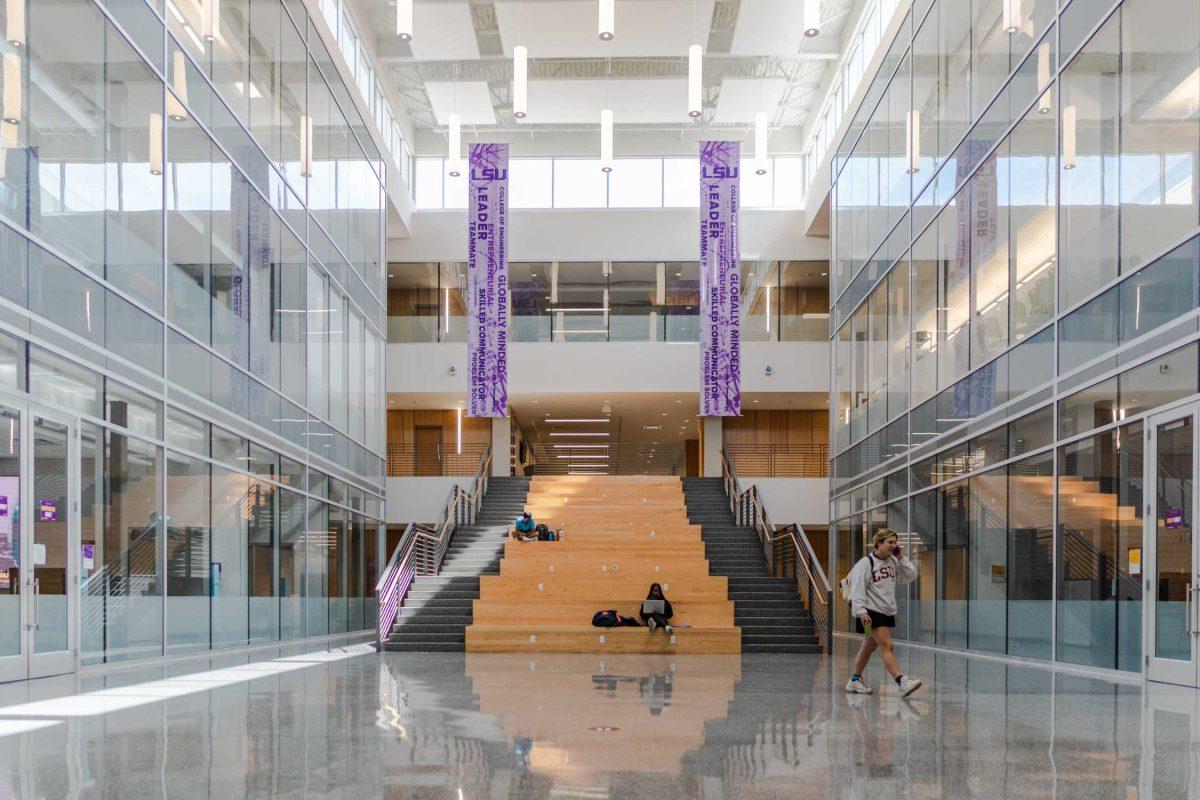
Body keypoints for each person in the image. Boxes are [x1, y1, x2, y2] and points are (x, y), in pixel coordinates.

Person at [845, 528, 923, 697]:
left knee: (869, 645)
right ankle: (901, 681)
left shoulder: (893, 562)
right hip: (870, 612)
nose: (893, 546)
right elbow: (857, 588)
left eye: (895, 542)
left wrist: (901, 557)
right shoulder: (866, 563)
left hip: (885, 610)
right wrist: (860, 611)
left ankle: (854, 680)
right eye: (890, 542)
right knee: (887, 646)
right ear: (878, 543)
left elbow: (910, 575)